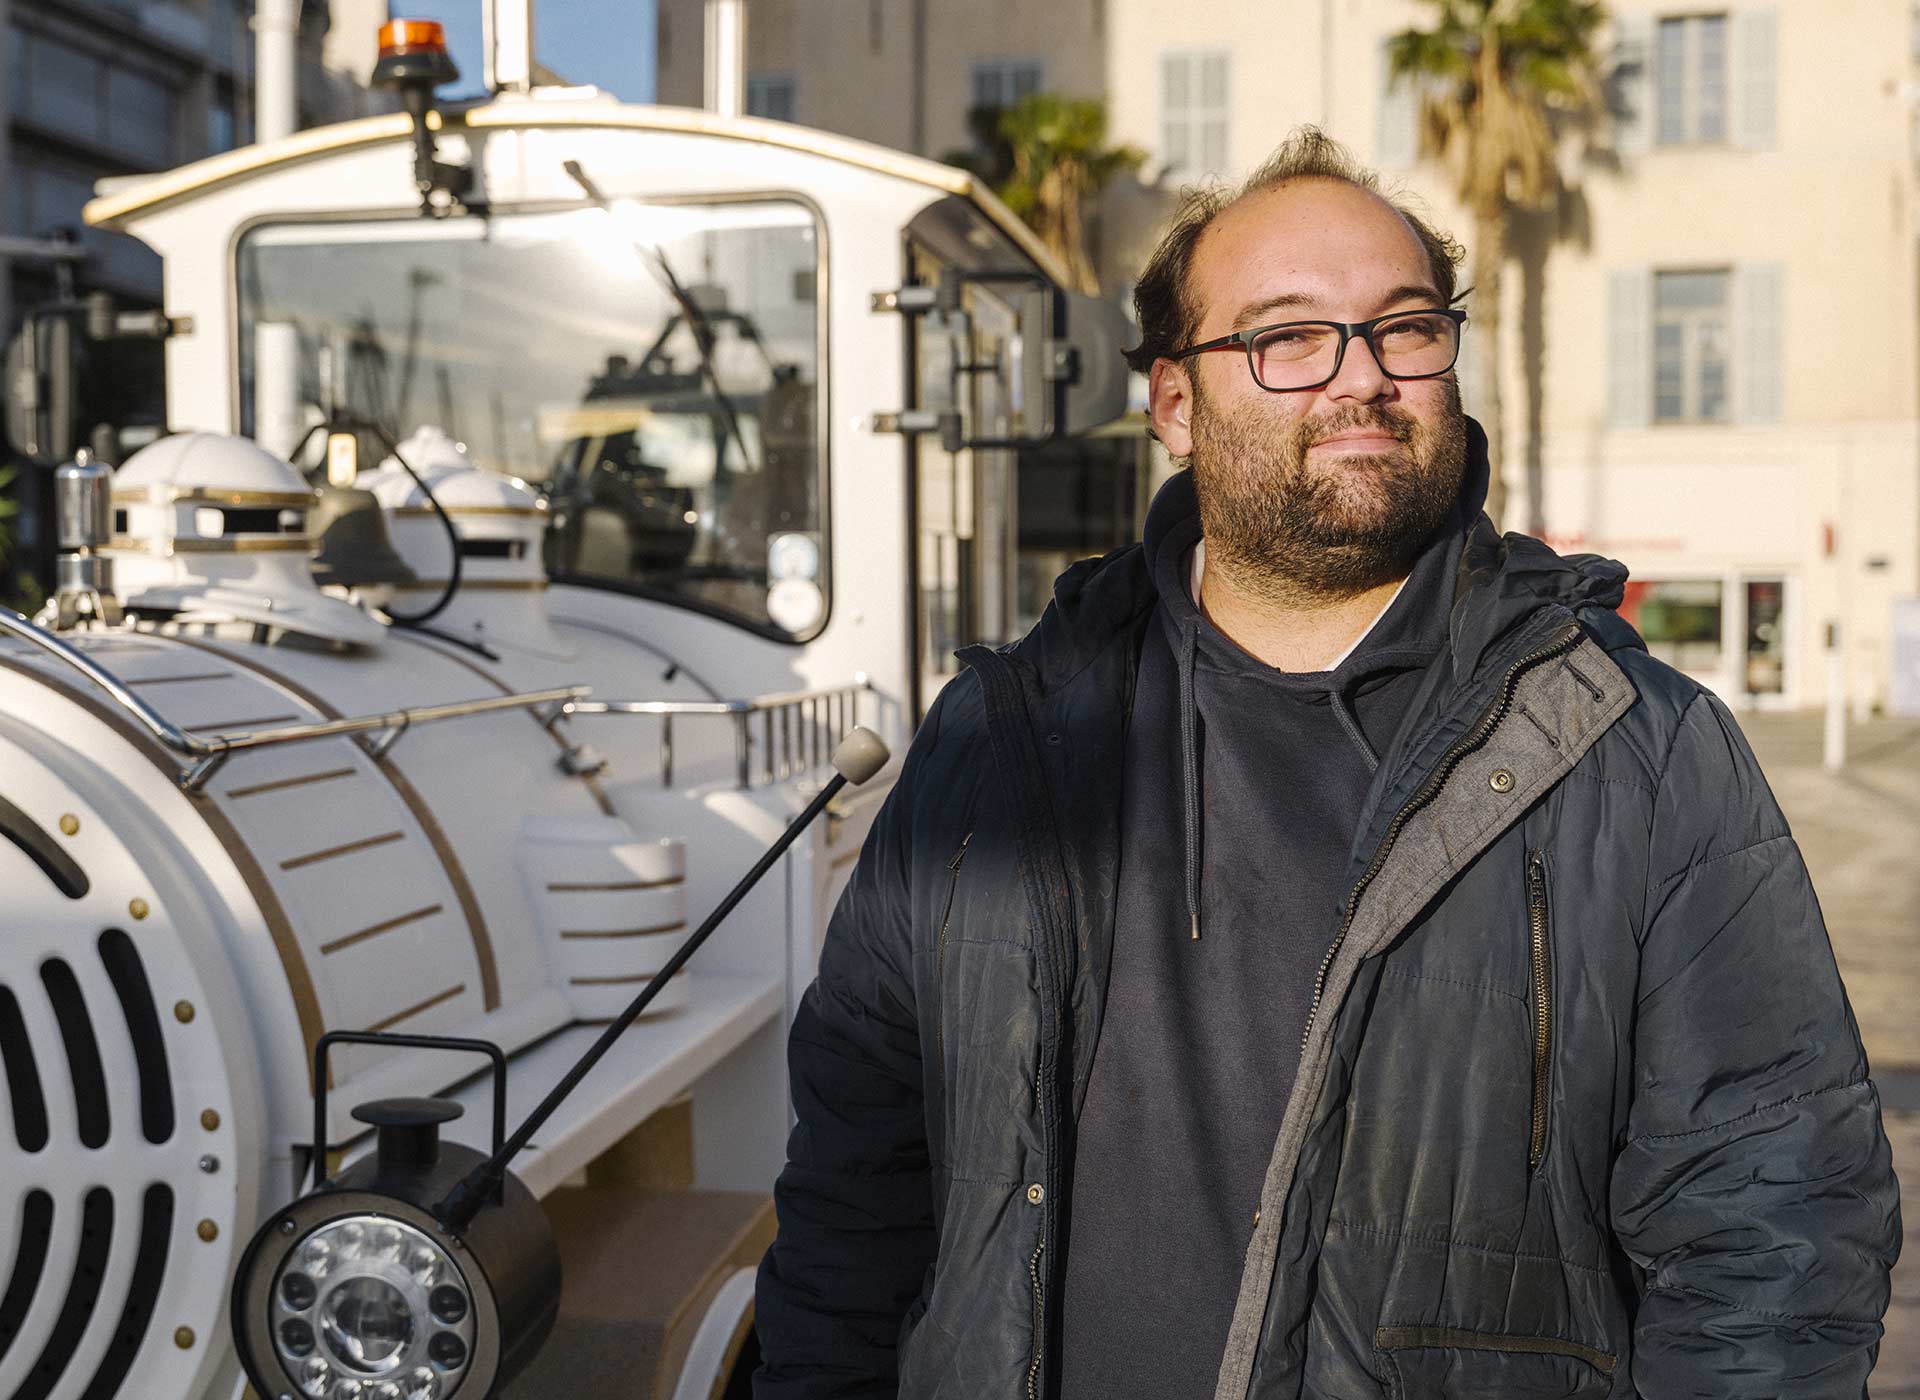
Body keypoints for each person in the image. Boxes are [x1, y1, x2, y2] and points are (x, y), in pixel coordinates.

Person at [753, 128, 1900, 1400]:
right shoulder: (998, 737)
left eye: (1404, 327)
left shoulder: (1633, 743)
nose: (1361, 377)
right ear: (1176, 402)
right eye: (1287, 336)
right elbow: (856, 1189)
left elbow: (1772, 1230)